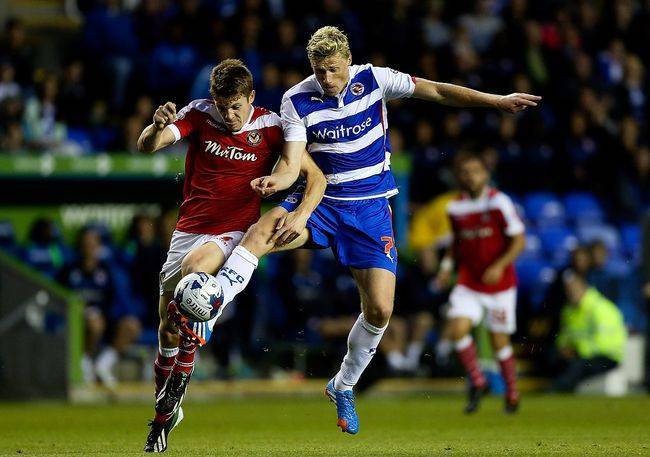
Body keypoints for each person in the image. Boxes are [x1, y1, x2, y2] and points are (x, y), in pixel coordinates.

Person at [179, 26, 539, 434]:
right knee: (261, 231)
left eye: (333, 69)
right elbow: (293, 163)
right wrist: (277, 183)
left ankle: (343, 385)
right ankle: (212, 303)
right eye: (319, 71)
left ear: (348, 60)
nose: (327, 80)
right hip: (323, 205)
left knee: (381, 309)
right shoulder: (296, 99)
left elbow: (437, 91)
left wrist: (495, 100)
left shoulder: (376, 79)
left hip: (370, 211)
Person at [137, 59, 326, 452]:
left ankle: (180, 384)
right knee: (167, 326)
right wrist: (155, 127)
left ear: (251, 98)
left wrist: (289, 196)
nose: (230, 115)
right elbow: (147, 146)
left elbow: (308, 173)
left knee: (193, 281)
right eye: (224, 107)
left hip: (229, 232)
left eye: (237, 107)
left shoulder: (272, 126)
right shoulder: (199, 113)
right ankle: (168, 402)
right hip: (187, 229)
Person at [436, 151, 526, 414]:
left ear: (485, 175)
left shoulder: (500, 202)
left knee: (499, 341)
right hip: (469, 281)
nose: (470, 176)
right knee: (457, 330)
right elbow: (456, 243)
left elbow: (519, 240)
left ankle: (512, 390)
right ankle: (477, 380)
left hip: (500, 285)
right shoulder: (455, 207)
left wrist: (499, 265)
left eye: (475, 171)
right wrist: (445, 267)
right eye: (465, 172)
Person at [58, 227, 141, 389]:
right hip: (76, 322)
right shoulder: (68, 271)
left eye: (92, 244)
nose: (89, 248)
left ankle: (103, 364)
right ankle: (85, 363)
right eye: (86, 244)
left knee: (132, 326)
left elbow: (113, 300)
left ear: (98, 247)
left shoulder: (106, 271)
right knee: (94, 322)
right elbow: (58, 297)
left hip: (104, 318)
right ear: (80, 246)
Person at [552, 271, 627, 392]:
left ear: (583, 287)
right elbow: (564, 336)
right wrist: (563, 348)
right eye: (568, 289)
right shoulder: (568, 311)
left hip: (607, 357)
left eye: (574, 288)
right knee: (554, 356)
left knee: (578, 366)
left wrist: (577, 350)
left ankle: (558, 391)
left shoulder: (601, 308)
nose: (571, 292)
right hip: (581, 354)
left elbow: (605, 344)